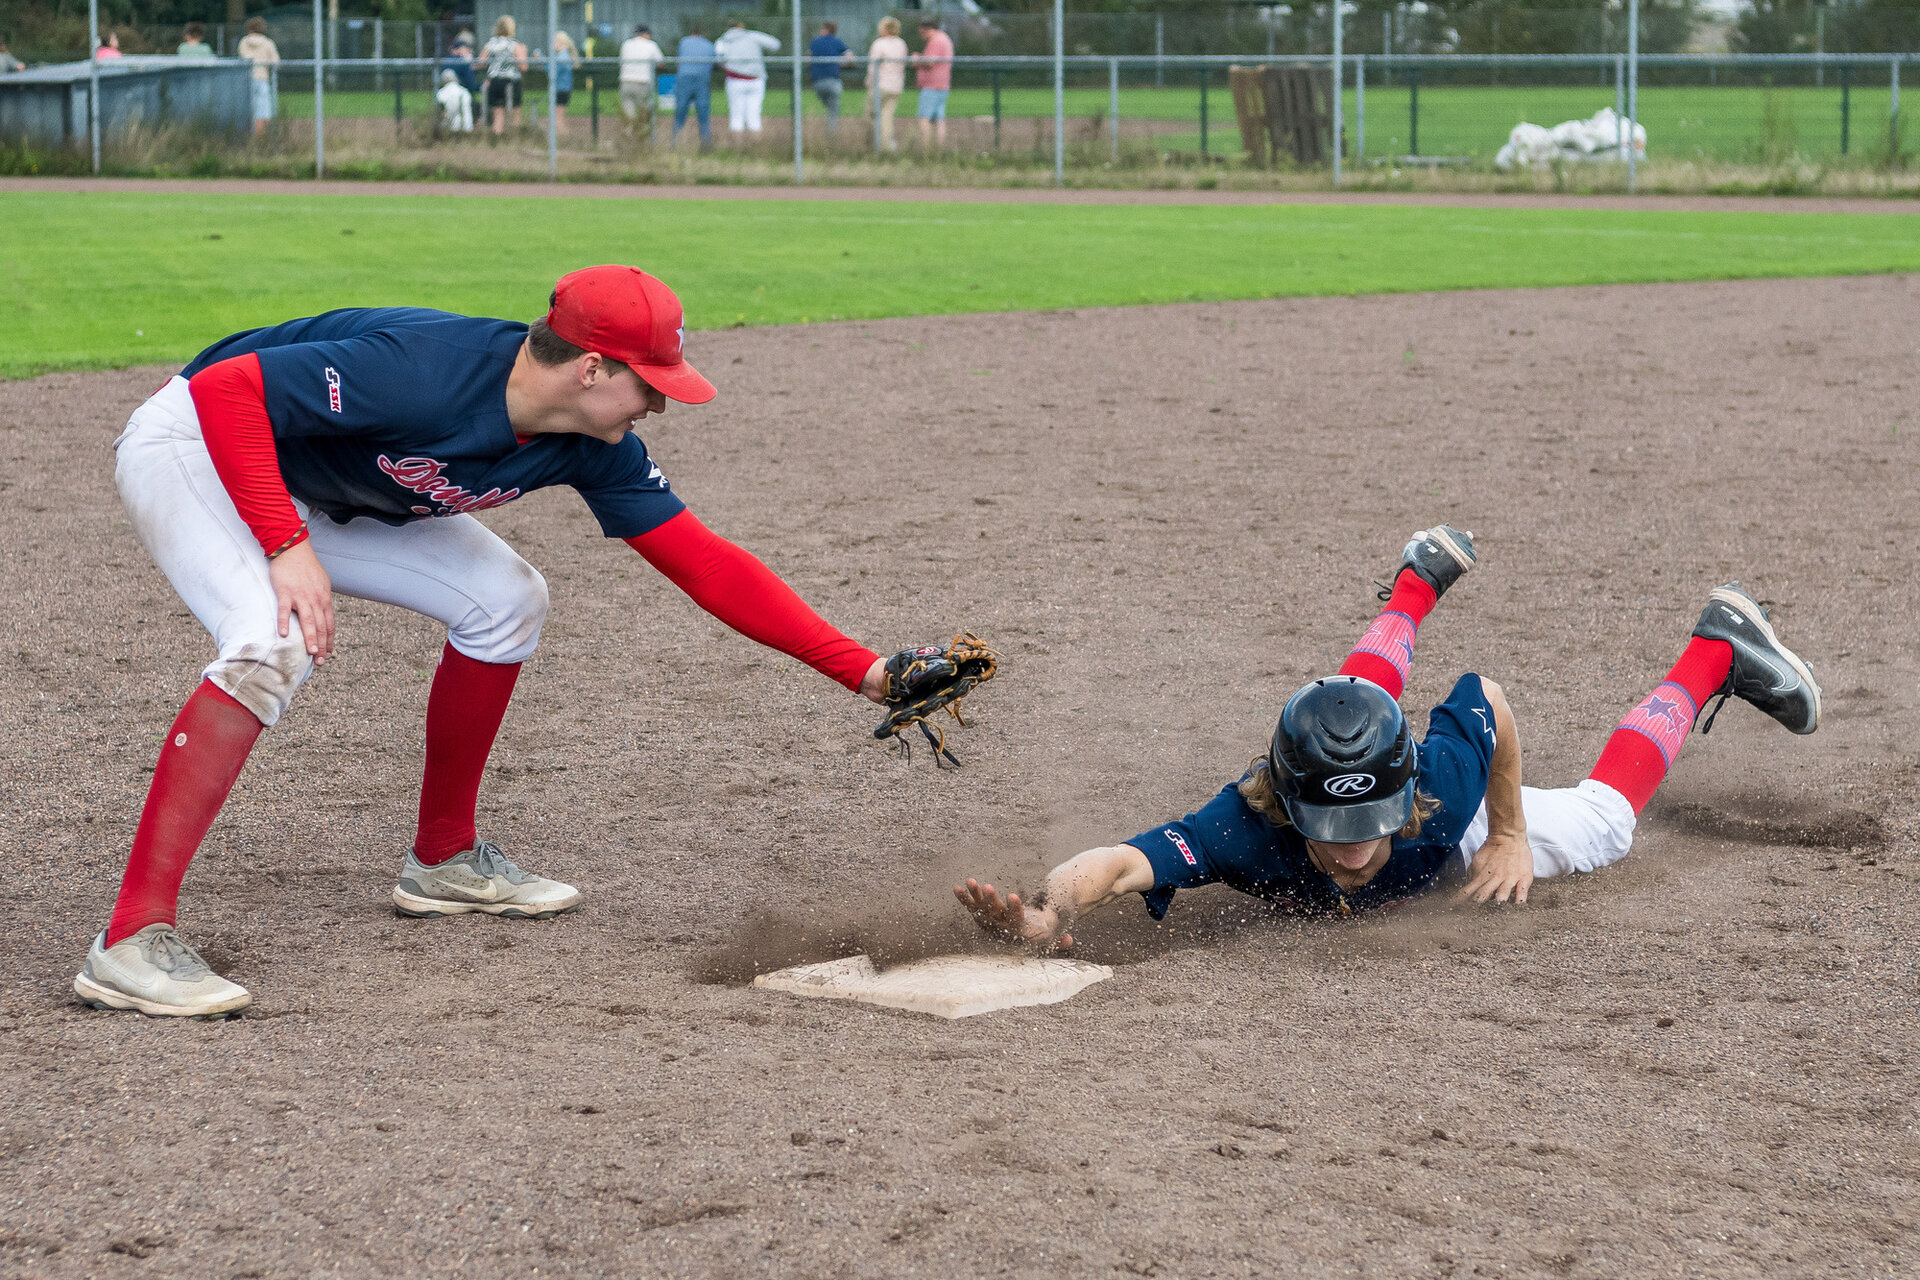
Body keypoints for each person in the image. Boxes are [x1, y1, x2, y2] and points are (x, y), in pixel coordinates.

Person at [74, 265, 972, 1019]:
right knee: (272, 641)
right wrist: (284, 543)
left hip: (325, 486)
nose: (661, 403)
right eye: (650, 382)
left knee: (506, 598)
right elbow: (230, 393)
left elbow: (705, 563)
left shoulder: (595, 441)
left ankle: (443, 860)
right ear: (589, 367)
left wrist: (865, 670)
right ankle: (130, 937)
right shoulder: (427, 370)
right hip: (202, 443)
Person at [958, 527, 1823, 947]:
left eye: (1371, 819)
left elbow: (1486, 696)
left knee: (1607, 823)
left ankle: (1718, 646)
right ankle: (1416, 582)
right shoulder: (1243, 828)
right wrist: (1044, 910)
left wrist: (1512, 834)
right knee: (1351, 706)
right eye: (1331, 830)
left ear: (1405, 794)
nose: (1353, 848)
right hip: (1350, 777)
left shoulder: (1438, 792)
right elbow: (1116, 864)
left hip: (1473, 830)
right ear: (1288, 810)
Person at [714, 19, 779, 138]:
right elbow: (775, 44)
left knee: (736, 116)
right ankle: (755, 147)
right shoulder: (752, 35)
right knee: (754, 116)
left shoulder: (723, 40)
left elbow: (719, 60)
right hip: (755, 79)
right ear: (741, 26)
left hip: (734, 79)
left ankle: (738, 148)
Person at [476, 15, 528, 136]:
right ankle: (515, 136)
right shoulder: (514, 45)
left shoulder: (490, 44)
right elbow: (523, 67)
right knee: (515, 110)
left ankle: (497, 137)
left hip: (495, 81)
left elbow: (481, 63)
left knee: (498, 111)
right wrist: (524, 52)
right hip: (512, 81)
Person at [865, 18, 907, 152]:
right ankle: (886, 146)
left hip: (880, 84)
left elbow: (873, 67)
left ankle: (876, 144)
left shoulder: (879, 43)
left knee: (870, 114)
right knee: (887, 117)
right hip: (896, 85)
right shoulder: (901, 44)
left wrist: (869, 82)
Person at [912, 17, 953, 150]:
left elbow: (929, 62)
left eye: (922, 33)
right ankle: (938, 150)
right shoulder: (945, 39)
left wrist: (917, 59)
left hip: (932, 86)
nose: (922, 36)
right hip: (942, 85)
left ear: (928, 30)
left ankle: (926, 150)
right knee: (939, 120)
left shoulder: (936, 41)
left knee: (924, 119)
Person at [672, 27, 715, 150]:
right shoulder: (709, 45)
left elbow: (679, 61)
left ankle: (675, 143)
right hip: (702, 80)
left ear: (693, 34)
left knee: (680, 111)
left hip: (684, 78)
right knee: (703, 114)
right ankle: (706, 145)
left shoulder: (684, 41)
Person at [618, 24, 664, 137]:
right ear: (646, 34)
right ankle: (644, 140)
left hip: (625, 81)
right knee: (644, 114)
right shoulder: (651, 45)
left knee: (628, 116)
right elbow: (661, 63)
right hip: (642, 82)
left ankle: (627, 140)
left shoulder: (626, 44)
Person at [808, 22, 853, 137]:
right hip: (833, 81)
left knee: (829, 107)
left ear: (826, 29)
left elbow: (808, 57)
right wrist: (842, 64)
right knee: (833, 110)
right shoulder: (836, 41)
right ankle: (831, 136)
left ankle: (826, 132)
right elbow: (850, 57)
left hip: (818, 82)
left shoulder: (815, 41)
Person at [236, 17, 279, 136]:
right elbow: (275, 62)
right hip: (262, 78)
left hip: (246, 80)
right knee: (263, 110)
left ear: (249, 29)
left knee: (247, 110)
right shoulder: (268, 43)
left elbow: (241, 57)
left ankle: (247, 135)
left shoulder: (244, 42)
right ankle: (262, 137)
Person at [550, 30, 577, 128]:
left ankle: (562, 139)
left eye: (554, 42)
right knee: (559, 118)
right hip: (563, 89)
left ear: (560, 43)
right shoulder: (563, 56)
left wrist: (543, 63)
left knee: (558, 119)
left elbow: (553, 71)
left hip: (561, 89)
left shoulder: (562, 57)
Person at [436, 67, 474, 132]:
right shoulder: (464, 92)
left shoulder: (441, 93)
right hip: (466, 127)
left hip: (448, 128)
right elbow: (467, 113)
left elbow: (441, 112)